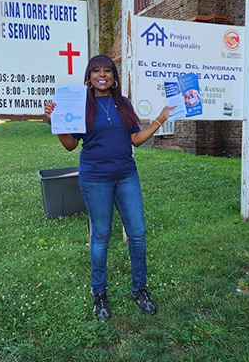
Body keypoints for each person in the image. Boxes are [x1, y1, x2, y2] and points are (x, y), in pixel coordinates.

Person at [45, 55, 175, 321]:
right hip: (95, 179)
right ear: (89, 76)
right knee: (101, 236)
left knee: (137, 233)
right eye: (96, 71)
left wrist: (160, 119)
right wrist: (56, 122)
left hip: (126, 176)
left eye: (107, 70)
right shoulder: (80, 103)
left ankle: (139, 290)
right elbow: (71, 145)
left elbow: (136, 140)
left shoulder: (122, 103)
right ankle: (99, 294)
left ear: (114, 76)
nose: (101, 75)